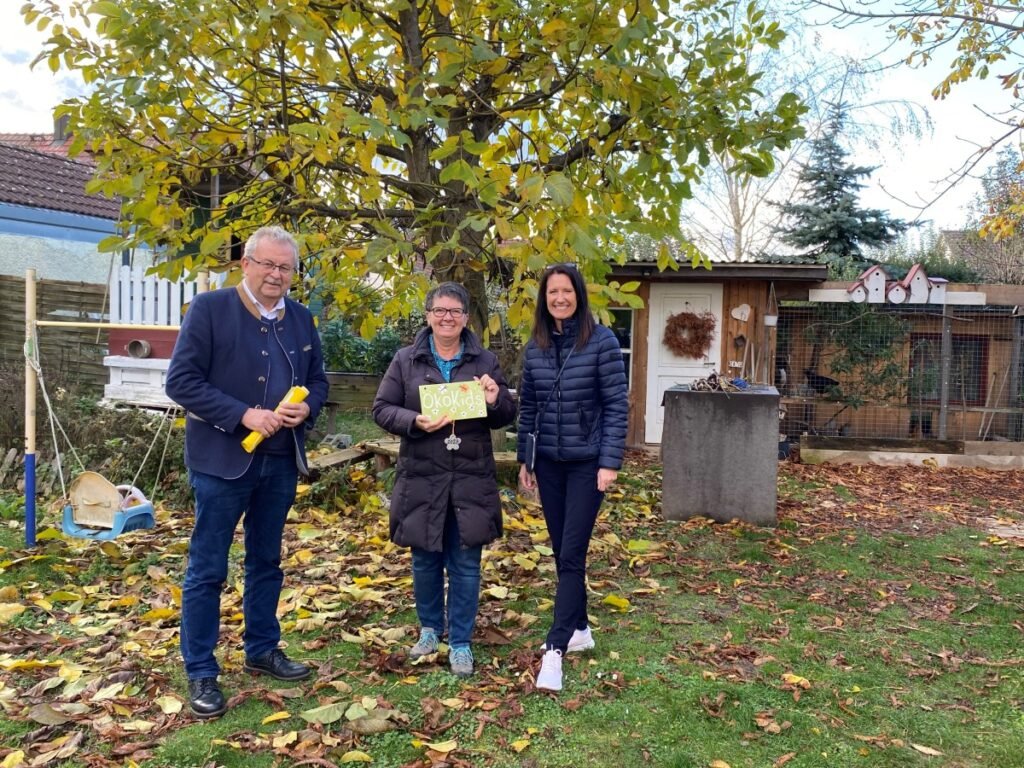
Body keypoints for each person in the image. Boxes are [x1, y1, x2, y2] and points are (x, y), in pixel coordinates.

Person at [165, 225, 329, 718]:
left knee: (267, 561)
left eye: (286, 268)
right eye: (269, 264)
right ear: (247, 264)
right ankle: (201, 669)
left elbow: (319, 380)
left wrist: (308, 409)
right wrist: (242, 414)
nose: (277, 275)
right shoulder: (210, 310)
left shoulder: (301, 318)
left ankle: (261, 648)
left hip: (279, 461)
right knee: (208, 568)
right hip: (221, 463)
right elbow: (181, 382)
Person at [372, 282, 516, 678]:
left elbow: (506, 412)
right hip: (422, 474)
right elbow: (382, 409)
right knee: (424, 559)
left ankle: (462, 641)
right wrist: (414, 421)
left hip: (471, 475)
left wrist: (493, 399)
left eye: (455, 311)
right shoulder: (406, 360)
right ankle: (431, 630)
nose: (447, 317)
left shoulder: (484, 360)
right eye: (440, 311)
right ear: (429, 315)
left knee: (466, 561)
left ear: (467, 318)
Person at [517, 263, 628, 692]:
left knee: (571, 554)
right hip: (548, 461)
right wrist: (526, 461)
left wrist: (609, 462)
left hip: (587, 463)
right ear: (544, 300)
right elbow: (529, 409)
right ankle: (580, 628)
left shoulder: (601, 342)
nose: (559, 298)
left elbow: (616, 405)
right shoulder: (536, 346)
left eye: (566, 291)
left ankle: (555, 648)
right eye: (551, 293)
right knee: (562, 549)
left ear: (578, 295)